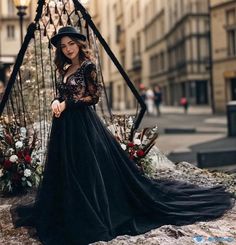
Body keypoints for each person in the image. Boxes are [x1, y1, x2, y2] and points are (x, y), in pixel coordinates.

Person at [10, 26, 234, 245]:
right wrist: (54, 102)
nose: (68, 49)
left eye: (71, 44)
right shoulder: (66, 68)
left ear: (78, 44)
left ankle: (93, 211)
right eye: (63, 46)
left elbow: (94, 97)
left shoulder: (88, 66)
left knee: (86, 167)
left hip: (82, 125)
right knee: (68, 168)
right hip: (64, 128)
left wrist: (67, 104)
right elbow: (61, 93)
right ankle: (70, 208)